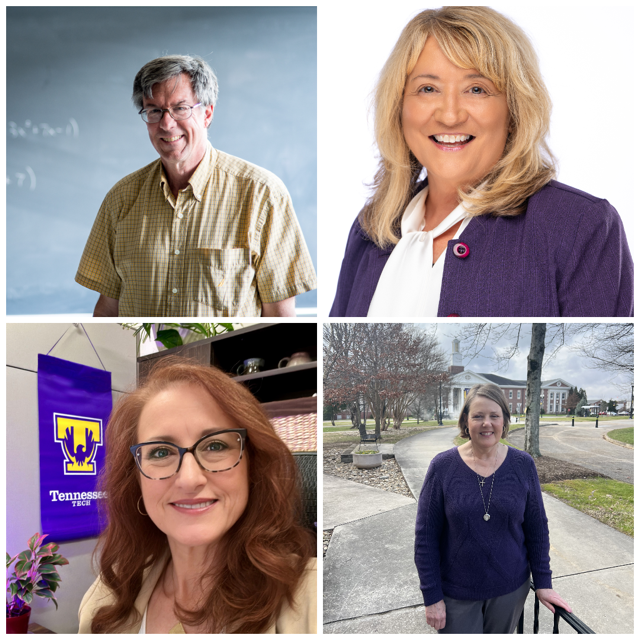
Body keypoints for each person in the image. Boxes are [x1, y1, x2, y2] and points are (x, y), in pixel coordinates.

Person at [330, 6, 633, 317]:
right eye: (428, 89)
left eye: (477, 89)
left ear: (514, 110)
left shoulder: (580, 227)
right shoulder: (371, 229)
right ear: (399, 107)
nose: (450, 115)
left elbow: (593, 367)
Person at [78, 358, 316, 633]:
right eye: (161, 452)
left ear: (253, 467)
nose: (190, 479)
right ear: (136, 480)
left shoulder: (311, 596)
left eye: (215, 445)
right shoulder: (108, 593)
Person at [75, 55, 316, 317]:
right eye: (154, 110)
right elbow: (108, 310)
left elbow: (280, 317)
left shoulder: (262, 194)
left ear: (207, 113)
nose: (166, 124)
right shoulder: (120, 199)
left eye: (181, 108)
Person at [415, 383, 571, 634]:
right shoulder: (442, 466)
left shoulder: (523, 465)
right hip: (457, 592)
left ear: (504, 421)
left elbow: (537, 528)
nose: (486, 423)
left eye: (494, 416)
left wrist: (544, 583)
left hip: (510, 589)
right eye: (478, 416)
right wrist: (431, 596)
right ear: (466, 421)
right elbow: (425, 538)